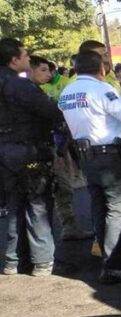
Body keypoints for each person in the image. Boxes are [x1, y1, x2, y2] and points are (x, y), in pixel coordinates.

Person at [58, 49, 121, 283]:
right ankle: (114, 265)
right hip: (110, 157)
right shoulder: (101, 88)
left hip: (86, 156)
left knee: (100, 208)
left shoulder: (68, 91)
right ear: (101, 69)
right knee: (118, 209)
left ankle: (115, 259)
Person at [0, 38, 65, 276]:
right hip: (28, 150)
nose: (28, 59)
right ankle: (42, 260)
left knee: (14, 205)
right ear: (14, 59)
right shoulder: (20, 86)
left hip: (5, 152)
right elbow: (49, 112)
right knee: (37, 204)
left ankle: (13, 260)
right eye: (25, 55)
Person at [28, 57, 91, 241]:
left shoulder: (35, 91)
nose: (49, 74)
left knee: (62, 189)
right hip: (36, 151)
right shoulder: (27, 93)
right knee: (42, 198)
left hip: (49, 146)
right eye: (43, 70)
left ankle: (68, 227)